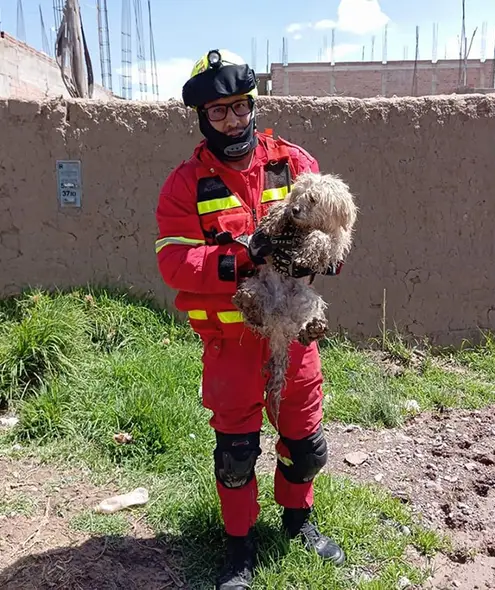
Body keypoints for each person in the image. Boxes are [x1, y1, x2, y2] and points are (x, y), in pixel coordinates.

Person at [153, 49, 343, 589]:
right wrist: (244, 256)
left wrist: (324, 256)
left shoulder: (294, 162)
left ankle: (298, 522)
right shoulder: (184, 184)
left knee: (305, 445)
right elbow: (173, 262)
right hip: (229, 344)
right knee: (236, 455)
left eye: (239, 106)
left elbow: (333, 231)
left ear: (253, 104)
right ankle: (239, 548)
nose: (232, 120)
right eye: (218, 111)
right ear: (201, 117)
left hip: (295, 338)